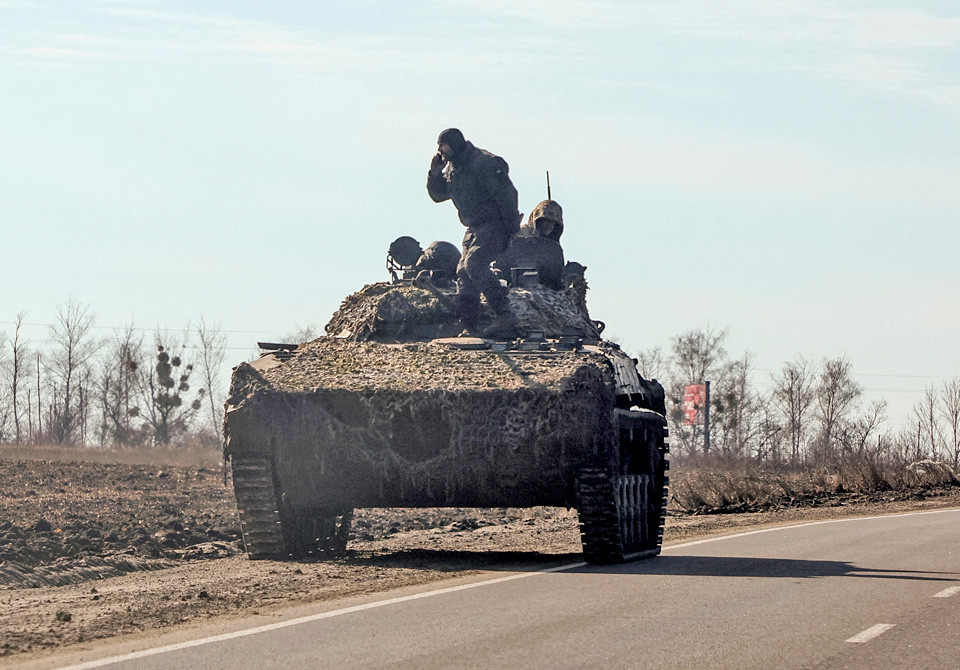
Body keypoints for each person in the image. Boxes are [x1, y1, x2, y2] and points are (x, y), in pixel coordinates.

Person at [427, 128, 521, 330]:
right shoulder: (453, 167)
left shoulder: (483, 163)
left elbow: (507, 194)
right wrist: (435, 175)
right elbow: (439, 195)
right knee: (463, 271)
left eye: (442, 145)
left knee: (475, 264)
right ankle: (470, 324)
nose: (439, 150)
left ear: (453, 144)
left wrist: (512, 228)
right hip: (474, 227)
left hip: (495, 223)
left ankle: (505, 314)